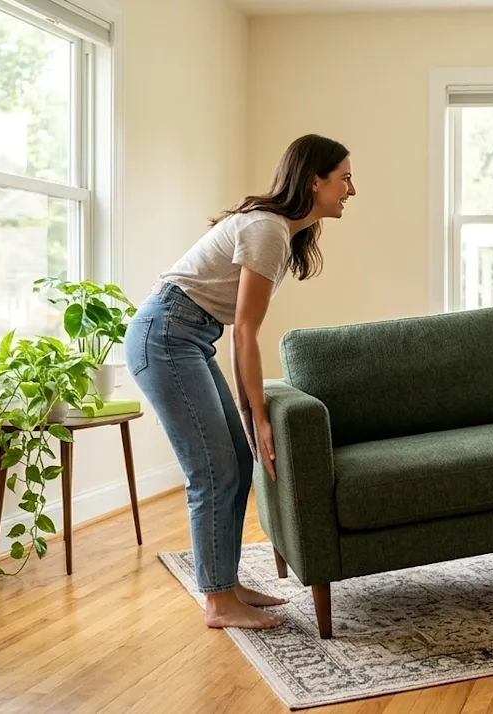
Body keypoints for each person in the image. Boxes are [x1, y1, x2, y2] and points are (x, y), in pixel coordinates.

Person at [124, 134, 356, 628]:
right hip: (166, 336)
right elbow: (246, 332)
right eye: (344, 179)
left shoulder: (279, 231)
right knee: (214, 471)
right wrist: (259, 415)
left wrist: (250, 414)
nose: (351, 190)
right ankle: (217, 601)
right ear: (315, 181)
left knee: (233, 459)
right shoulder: (267, 229)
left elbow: (236, 334)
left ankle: (225, 586)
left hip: (187, 337)